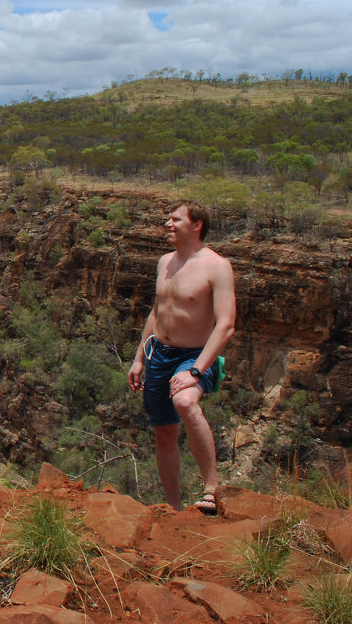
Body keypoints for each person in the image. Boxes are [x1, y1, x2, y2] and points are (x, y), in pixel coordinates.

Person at [128, 200, 236, 514]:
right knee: (164, 432)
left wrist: (197, 371)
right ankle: (174, 508)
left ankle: (212, 490)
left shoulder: (217, 267)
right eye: (167, 219)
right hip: (159, 355)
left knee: (186, 402)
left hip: (195, 356)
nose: (167, 224)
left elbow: (226, 324)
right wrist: (139, 359)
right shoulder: (164, 262)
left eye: (175, 219)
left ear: (197, 224)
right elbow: (156, 313)